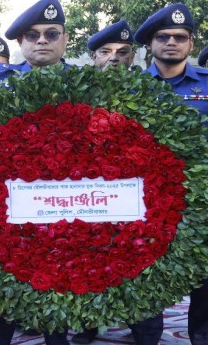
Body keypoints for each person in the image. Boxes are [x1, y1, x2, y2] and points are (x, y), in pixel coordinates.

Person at [134, 3, 208, 345]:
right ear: (151, 43)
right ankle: (147, 337)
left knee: (203, 274)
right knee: (143, 269)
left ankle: (203, 335)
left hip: (198, 198)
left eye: (180, 37)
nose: (171, 42)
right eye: (162, 36)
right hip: (142, 199)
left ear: (191, 43)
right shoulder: (130, 86)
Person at [0, 0, 72, 345]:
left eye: (52, 33)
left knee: (60, 277)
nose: (43, 41)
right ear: (21, 43)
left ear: (65, 39)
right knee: (6, 277)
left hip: (66, 201)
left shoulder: (85, 83)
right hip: (12, 200)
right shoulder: (0, 81)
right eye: (33, 35)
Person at [70, 19, 136, 345]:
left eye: (123, 52)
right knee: (88, 260)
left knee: (138, 260)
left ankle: (144, 326)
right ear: (93, 57)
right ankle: (86, 325)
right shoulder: (76, 93)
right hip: (87, 195)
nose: (114, 58)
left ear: (133, 57)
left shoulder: (148, 91)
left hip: (134, 196)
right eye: (105, 52)